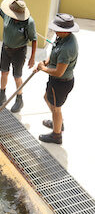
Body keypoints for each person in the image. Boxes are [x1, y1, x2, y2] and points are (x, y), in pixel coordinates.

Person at [34, 14, 79, 144]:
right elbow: (54, 51)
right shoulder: (62, 38)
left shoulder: (67, 48)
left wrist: (43, 69)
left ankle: (56, 134)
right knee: (47, 98)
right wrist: (46, 62)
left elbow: (59, 72)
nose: (54, 31)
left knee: (56, 109)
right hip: (56, 81)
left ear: (65, 30)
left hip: (60, 82)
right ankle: (57, 122)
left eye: (57, 29)